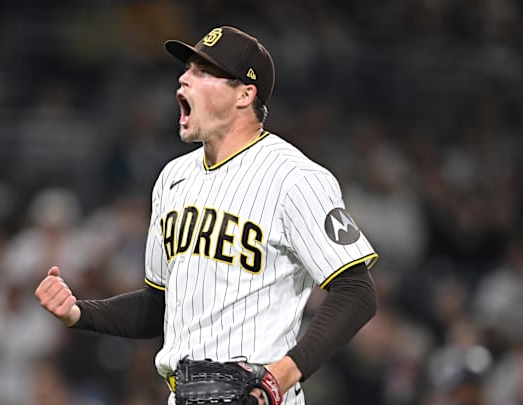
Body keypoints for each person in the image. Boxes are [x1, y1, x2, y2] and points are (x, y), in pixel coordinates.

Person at [35, 25, 379, 404]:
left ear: (245, 94)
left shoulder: (295, 178)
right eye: (187, 69)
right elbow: (158, 306)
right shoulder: (173, 178)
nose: (184, 78)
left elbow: (357, 291)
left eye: (204, 72)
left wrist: (280, 377)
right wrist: (79, 312)